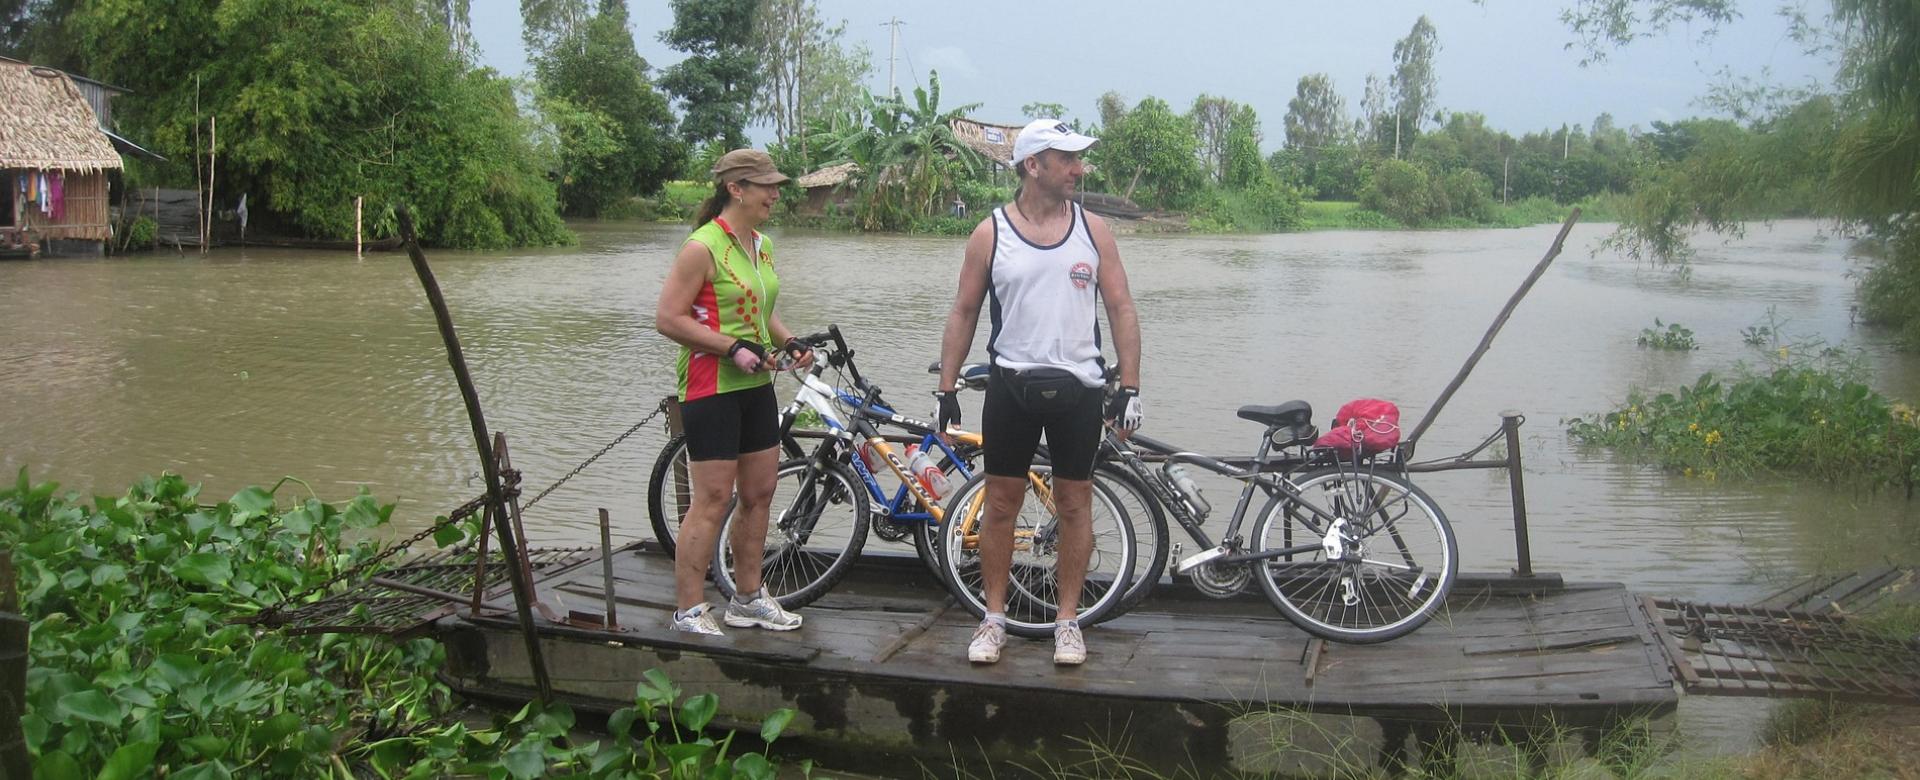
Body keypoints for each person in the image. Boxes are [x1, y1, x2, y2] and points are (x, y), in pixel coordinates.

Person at [934, 120, 1144, 666]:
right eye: (1068, 159)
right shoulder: (991, 232)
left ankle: (1067, 621)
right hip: (1011, 387)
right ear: (1033, 165)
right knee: (1000, 505)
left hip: (1080, 388)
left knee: (1075, 504)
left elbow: (1121, 307)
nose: (1079, 169)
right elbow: (964, 311)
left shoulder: (1094, 230)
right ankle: (994, 618)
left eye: (1080, 158)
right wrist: (946, 387)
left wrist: (1130, 387)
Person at [654, 148, 814, 636]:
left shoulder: (760, 245)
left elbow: (760, 309)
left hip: (756, 385)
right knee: (713, 497)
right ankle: (688, 609)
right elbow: (668, 319)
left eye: (776, 184)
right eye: (765, 185)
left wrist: (789, 341)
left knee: (760, 492)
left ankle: (747, 598)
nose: (775, 193)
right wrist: (729, 348)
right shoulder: (702, 247)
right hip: (711, 387)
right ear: (736, 189)